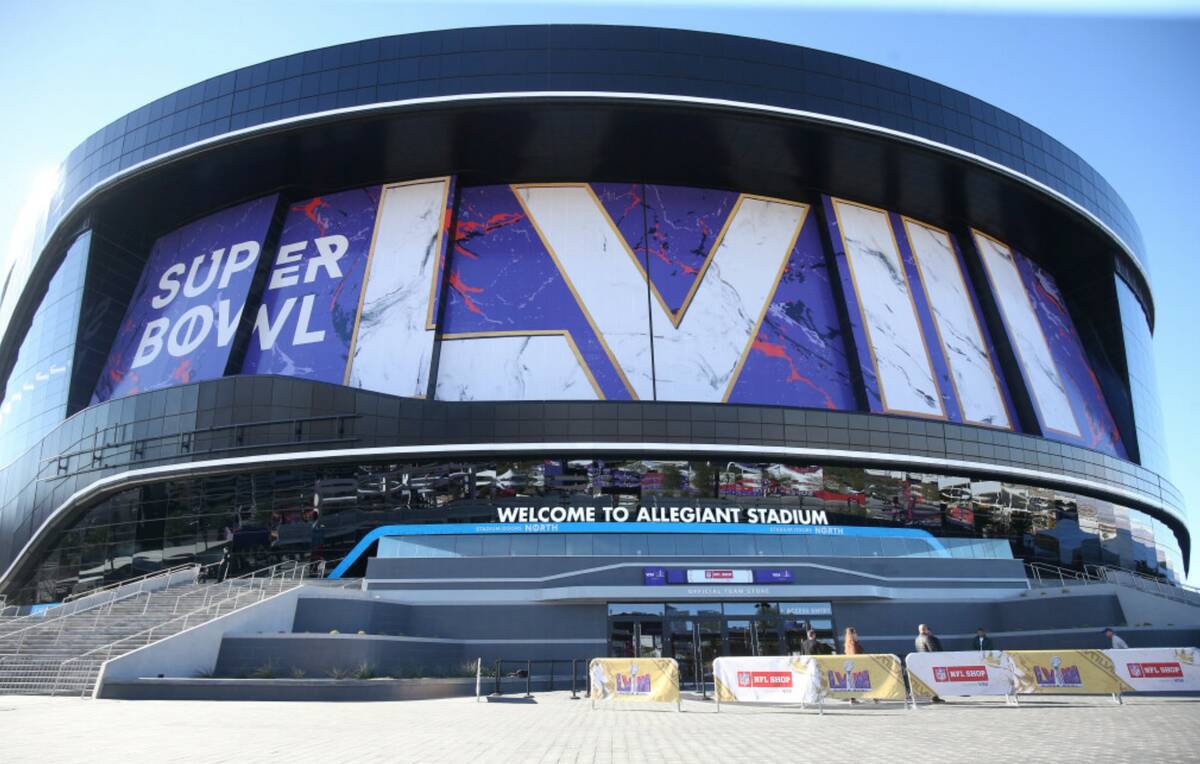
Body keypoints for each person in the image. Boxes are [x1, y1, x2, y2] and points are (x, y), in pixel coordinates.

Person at [915, 624, 945, 703]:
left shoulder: (917, 639)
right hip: (931, 662)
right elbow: (933, 651)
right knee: (934, 681)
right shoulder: (928, 638)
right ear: (925, 629)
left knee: (928, 680)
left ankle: (931, 696)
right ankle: (934, 697)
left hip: (923, 662)